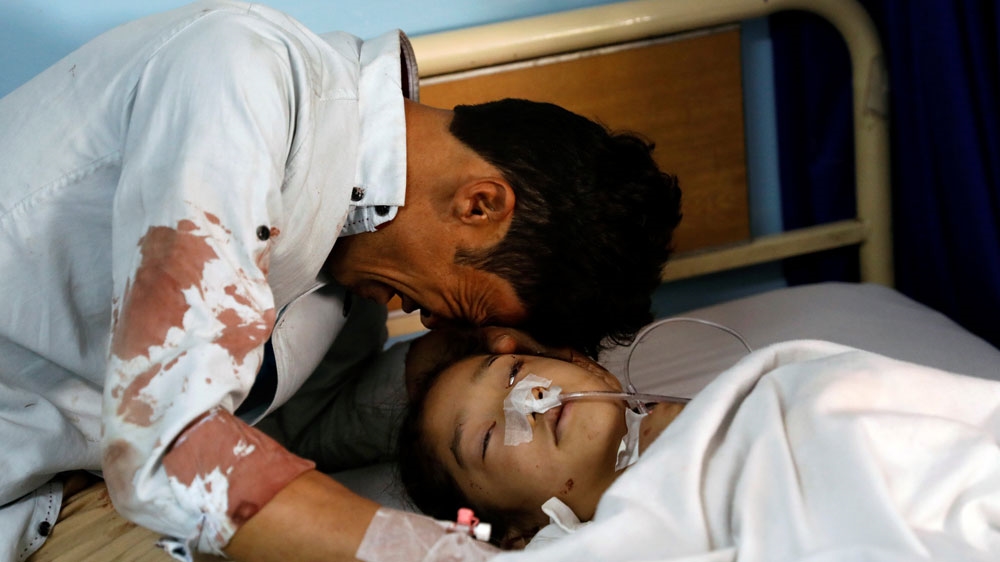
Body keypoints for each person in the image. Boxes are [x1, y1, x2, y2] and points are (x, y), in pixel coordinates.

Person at [0, 0, 682, 560]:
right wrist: (441, 554)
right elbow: (171, 448)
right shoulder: (238, 82)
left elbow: (295, 424)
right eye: (467, 308)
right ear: (478, 206)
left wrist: (434, 380)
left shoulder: (347, 253)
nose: (434, 320)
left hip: (55, 495)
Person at [397, 336, 1000, 561]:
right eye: (486, 437)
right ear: (514, 533)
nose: (526, 400)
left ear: (587, 367)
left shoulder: (756, 400)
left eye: (513, 372)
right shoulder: (564, 549)